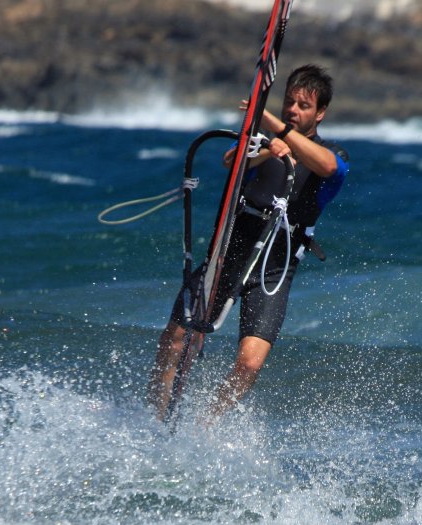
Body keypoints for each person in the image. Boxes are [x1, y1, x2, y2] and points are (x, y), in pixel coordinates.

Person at [148, 64, 350, 421]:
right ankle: (156, 414)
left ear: (320, 113)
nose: (293, 109)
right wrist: (266, 147)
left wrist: (275, 126)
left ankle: (205, 425)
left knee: (250, 362)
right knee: (176, 338)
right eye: (289, 101)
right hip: (230, 254)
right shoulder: (265, 143)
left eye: (304, 105)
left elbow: (329, 168)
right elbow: (233, 161)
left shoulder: (331, 156)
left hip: (272, 271)